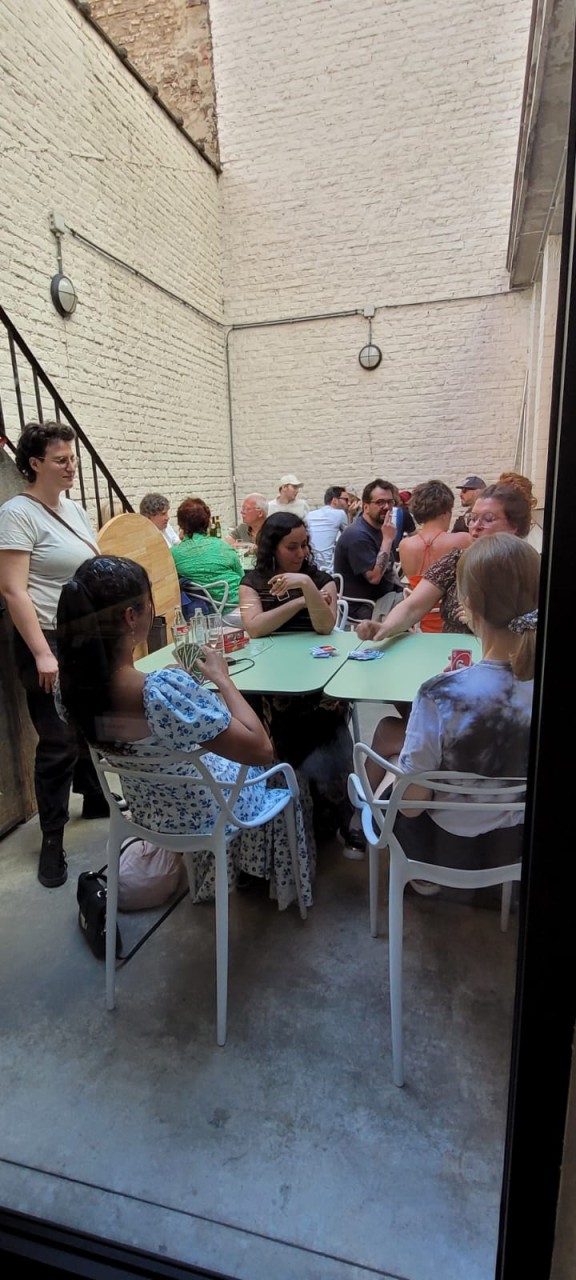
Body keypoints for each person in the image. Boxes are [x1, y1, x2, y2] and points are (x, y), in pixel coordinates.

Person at [55, 557, 314, 910]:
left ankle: (235, 872)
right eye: (148, 604)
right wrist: (223, 678)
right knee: (283, 768)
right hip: (209, 813)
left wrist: (176, 685)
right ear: (131, 617)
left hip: (149, 812)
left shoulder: (68, 689)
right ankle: (269, 875)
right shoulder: (159, 691)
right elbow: (260, 749)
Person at [367, 534, 538, 876]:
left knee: (391, 769)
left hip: (446, 848)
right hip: (520, 845)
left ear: (467, 605)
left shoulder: (439, 694)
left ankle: (415, 875)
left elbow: (412, 806)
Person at [0, 421, 107, 889]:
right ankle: (51, 838)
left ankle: (95, 797)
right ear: (34, 463)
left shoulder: (75, 509)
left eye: (73, 458)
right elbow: (13, 590)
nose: (71, 466)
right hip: (46, 639)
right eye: (61, 460)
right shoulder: (17, 514)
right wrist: (44, 654)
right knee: (58, 740)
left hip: (84, 636)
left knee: (87, 722)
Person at [239, 513, 359, 850]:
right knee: (268, 709)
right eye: (292, 546)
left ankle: (337, 812)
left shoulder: (319, 578)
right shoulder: (252, 582)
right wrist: (298, 602)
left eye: (305, 545)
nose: (301, 552)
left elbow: (324, 626)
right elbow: (255, 627)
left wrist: (306, 585)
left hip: (317, 676)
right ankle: (286, 806)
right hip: (271, 677)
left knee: (325, 712)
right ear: (272, 547)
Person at [357, 482, 532, 641]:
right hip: (452, 653)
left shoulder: (527, 568)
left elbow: (527, 635)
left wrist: (480, 625)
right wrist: (384, 627)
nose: (475, 526)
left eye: (488, 519)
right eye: (472, 518)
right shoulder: (456, 560)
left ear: (514, 526)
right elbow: (413, 606)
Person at [398, 480, 471, 631]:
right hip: (455, 624)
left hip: (419, 623)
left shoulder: (405, 545)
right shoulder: (464, 540)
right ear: (446, 510)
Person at [333, 478, 403, 621]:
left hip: (383, 597)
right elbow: (374, 577)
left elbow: (389, 569)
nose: (386, 507)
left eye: (390, 502)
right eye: (380, 502)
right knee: (415, 607)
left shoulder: (380, 529)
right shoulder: (357, 535)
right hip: (363, 606)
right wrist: (387, 540)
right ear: (366, 507)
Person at [171, 497, 243, 606]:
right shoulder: (223, 547)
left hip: (202, 611)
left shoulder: (173, 554)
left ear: (180, 525)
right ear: (208, 522)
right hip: (236, 605)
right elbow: (242, 577)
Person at [305, 486, 349, 571]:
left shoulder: (310, 514)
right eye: (346, 500)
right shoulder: (340, 513)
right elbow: (349, 537)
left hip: (309, 560)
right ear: (335, 501)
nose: (349, 503)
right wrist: (351, 514)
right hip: (326, 565)